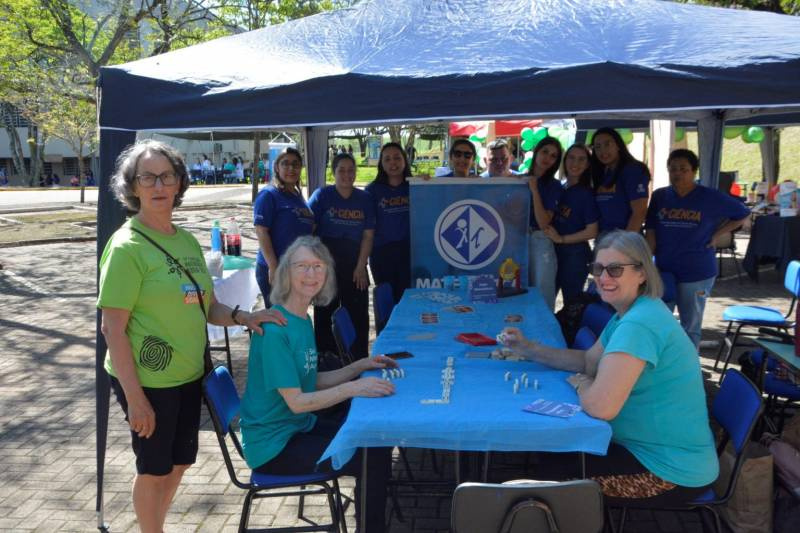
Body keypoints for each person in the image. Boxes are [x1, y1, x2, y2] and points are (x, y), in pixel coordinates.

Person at [98, 139, 283, 533]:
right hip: (148, 380)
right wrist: (135, 400)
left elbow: (208, 306)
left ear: (180, 183)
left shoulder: (184, 241)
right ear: (133, 187)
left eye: (167, 175)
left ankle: (155, 525)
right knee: (153, 467)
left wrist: (243, 317)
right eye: (147, 177)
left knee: (180, 461)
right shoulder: (126, 247)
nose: (158, 185)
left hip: (188, 373)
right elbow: (111, 328)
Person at [500, 230, 718, 507]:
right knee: (553, 456)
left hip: (668, 470)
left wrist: (582, 384)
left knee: (551, 484)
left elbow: (600, 407)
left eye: (615, 269)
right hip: (650, 450)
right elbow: (588, 362)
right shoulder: (632, 311)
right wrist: (529, 348)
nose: (603, 278)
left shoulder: (639, 324)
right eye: (598, 268)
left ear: (642, 273)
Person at [240, 236, 395, 533]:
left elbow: (310, 380)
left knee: (374, 437)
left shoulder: (301, 318)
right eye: (302, 266)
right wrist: (354, 388)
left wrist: (359, 367)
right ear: (286, 271)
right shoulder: (275, 329)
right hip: (274, 447)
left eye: (318, 266)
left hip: (297, 427)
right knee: (369, 456)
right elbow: (298, 400)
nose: (311, 274)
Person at [645, 149, 750, 348]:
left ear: (693, 171)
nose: (677, 173)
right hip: (664, 269)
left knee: (690, 325)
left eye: (683, 169)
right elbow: (651, 229)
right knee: (659, 323)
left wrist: (717, 234)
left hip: (697, 271)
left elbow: (743, 213)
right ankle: (664, 367)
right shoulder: (660, 196)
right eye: (673, 169)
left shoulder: (710, 196)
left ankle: (689, 371)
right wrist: (648, 262)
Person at [309, 153, 376, 359]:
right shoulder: (322, 196)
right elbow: (309, 232)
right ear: (333, 172)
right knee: (324, 314)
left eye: (351, 170)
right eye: (342, 170)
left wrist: (361, 266)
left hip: (354, 263)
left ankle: (358, 359)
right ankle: (326, 360)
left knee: (357, 314)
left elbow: (368, 236)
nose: (347, 175)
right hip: (326, 264)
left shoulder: (364, 199)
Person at [253, 147, 314, 304]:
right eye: (285, 163)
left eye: (295, 164)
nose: (291, 168)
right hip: (276, 269)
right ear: (276, 167)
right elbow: (261, 231)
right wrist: (273, 267)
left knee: (292, 317)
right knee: (278, 320)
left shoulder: (296, 195)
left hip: (296, 269)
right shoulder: (269, 195)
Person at [543, 144, 599, 304]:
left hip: (574, 256)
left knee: (571, 306)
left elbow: (592, 231)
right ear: (564, 160)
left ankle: (571, 331)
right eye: (571, 158)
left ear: (588, 164)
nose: (576, 163)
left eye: (582, 159)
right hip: (553, 253)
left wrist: (561, 239)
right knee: (546, 301)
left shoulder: (586, 193)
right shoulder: (560, 187)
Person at [365, 142, 412, 303]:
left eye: (397, 158)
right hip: (382, 254)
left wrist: (426, 182)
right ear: (382, 164)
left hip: (409, 253)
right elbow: (367, 229)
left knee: (407, 300)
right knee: (386, 301)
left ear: (405, 161)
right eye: (387, 159)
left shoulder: (414, 186)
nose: (393, 163)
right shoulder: (372, 191)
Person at [526, 136, 564, 311]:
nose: (547, 158)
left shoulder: (554, 186)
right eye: (545, 152)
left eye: (553, 156)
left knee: (542, 291)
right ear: (536, 152)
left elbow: (543, 222)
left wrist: (534, 190)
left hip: (540, 240)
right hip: (516, 240)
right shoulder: (517, 180)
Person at [590, 127, 650, 235]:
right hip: (604, 237)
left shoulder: (633, 170)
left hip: (624, 237)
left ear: (618, 145)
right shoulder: (603, 173)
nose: (602, 150)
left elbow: (639, 212)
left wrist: (626, 242)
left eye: (607, 144)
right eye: (597, 147)